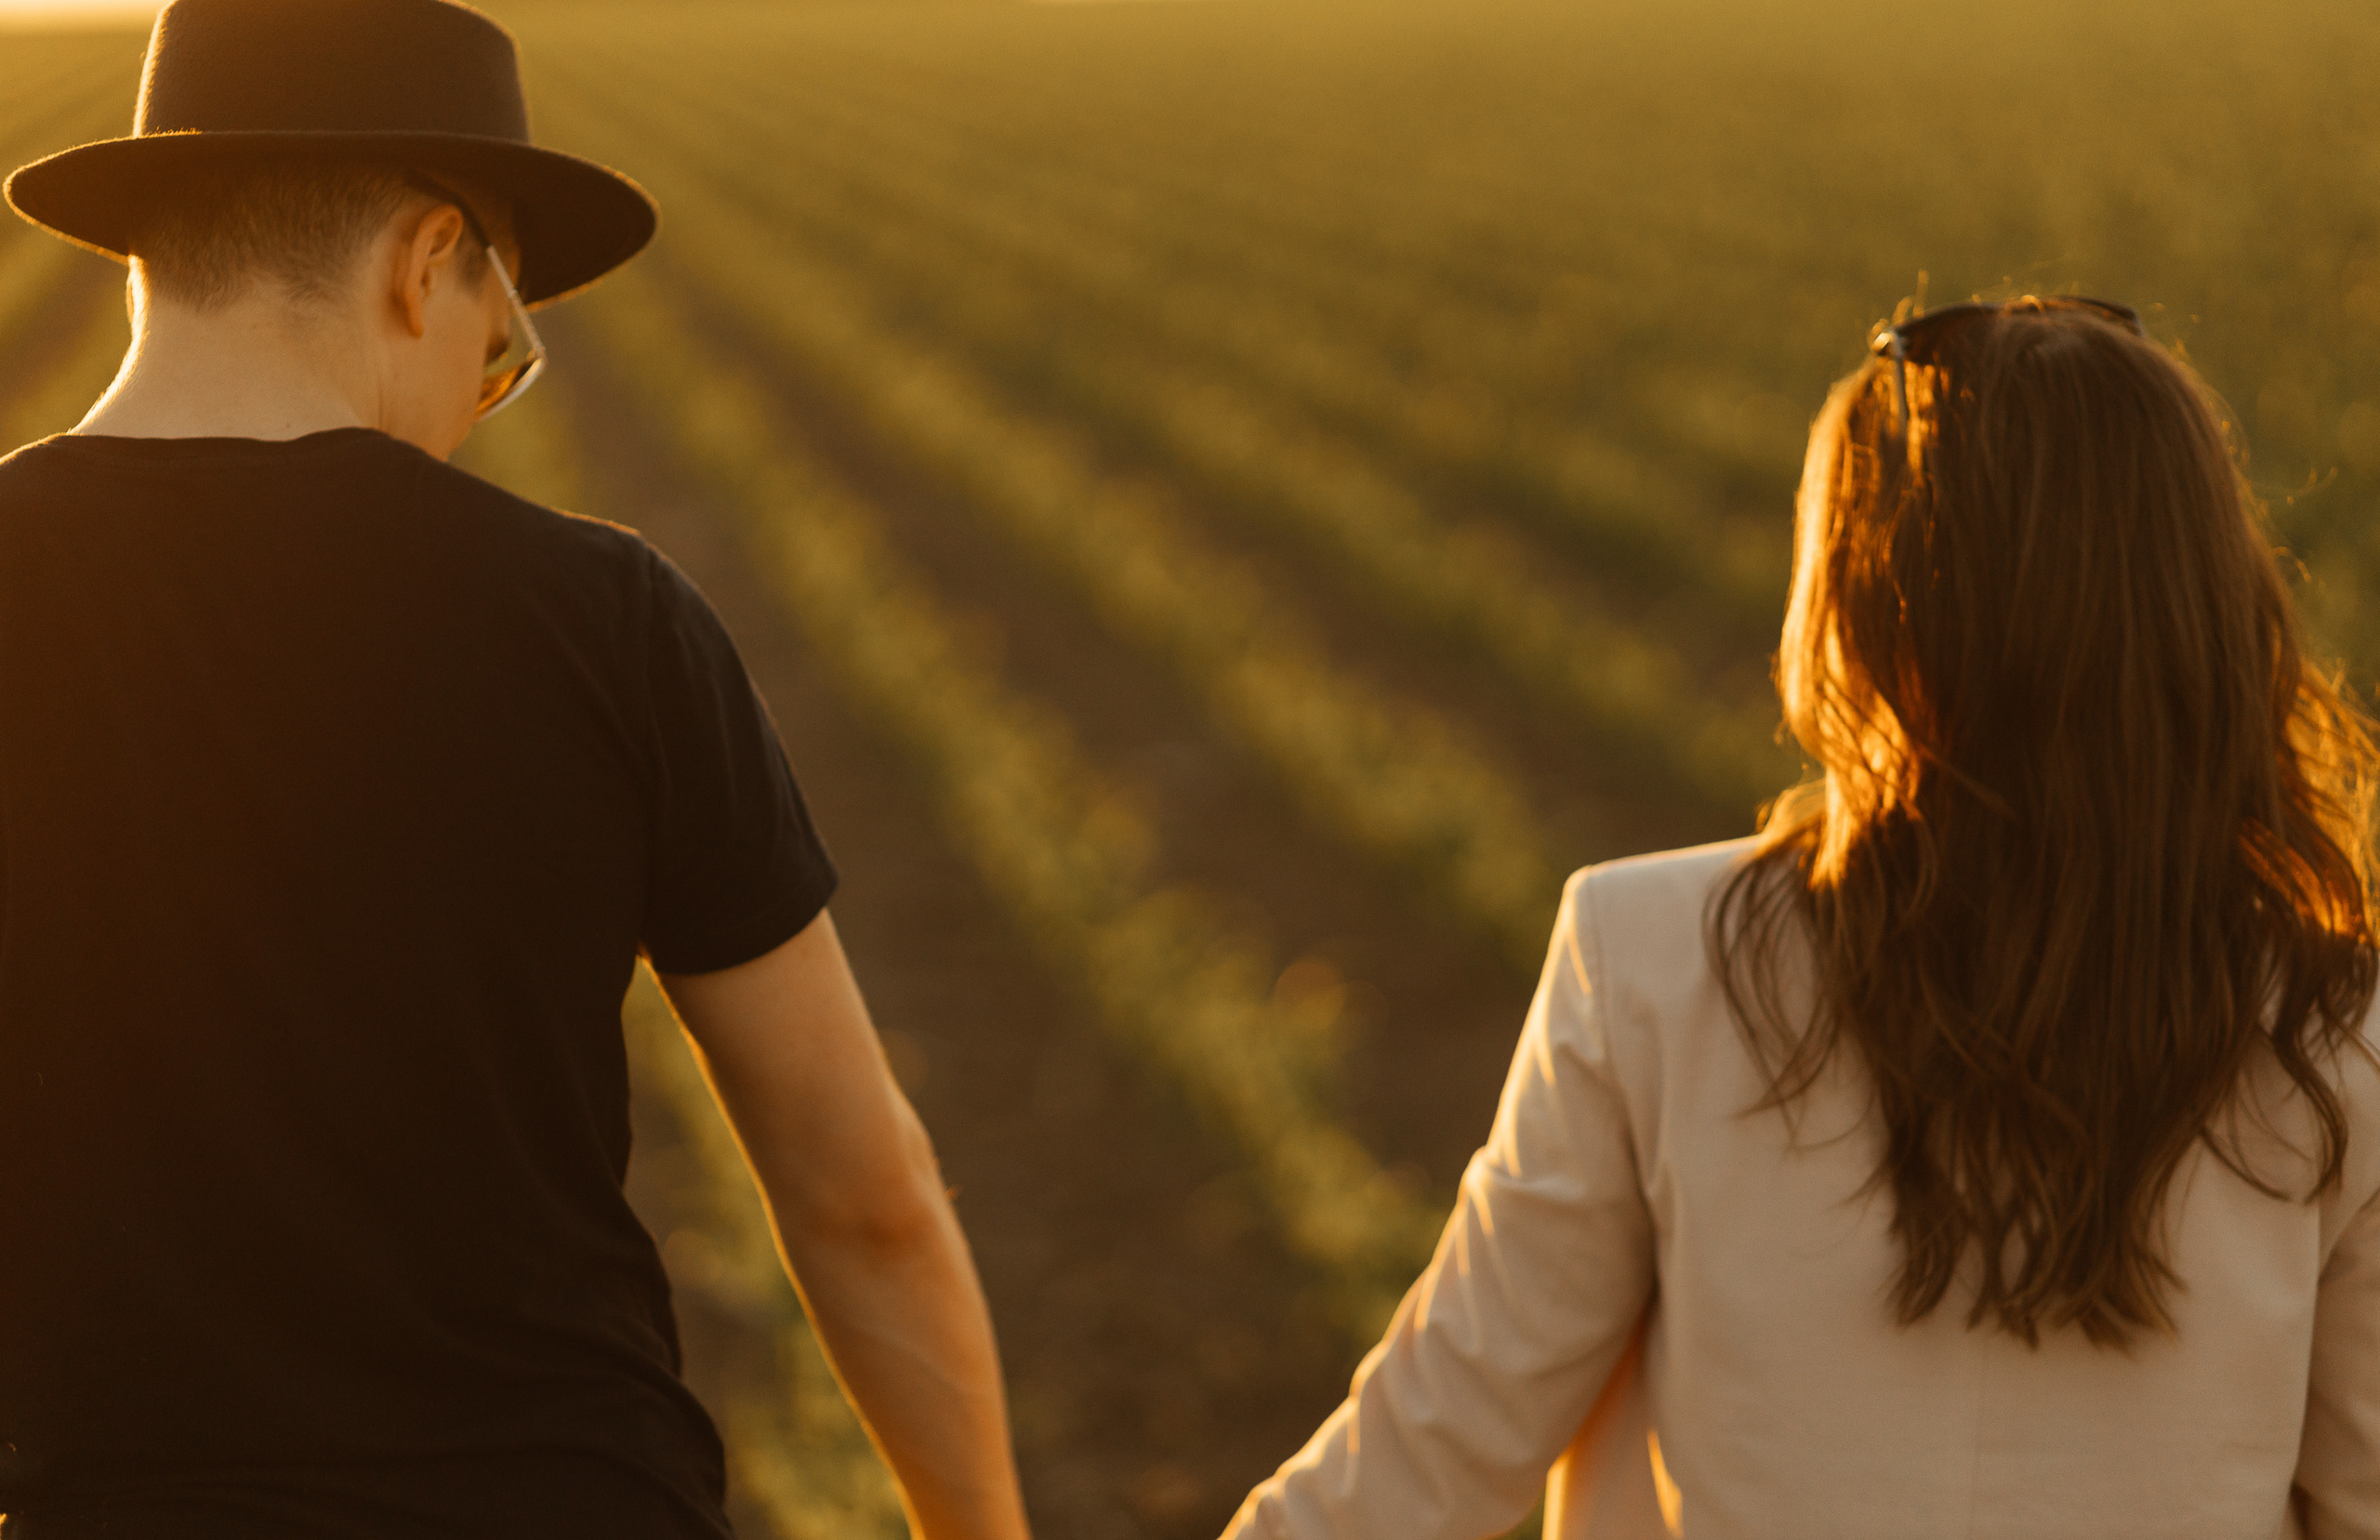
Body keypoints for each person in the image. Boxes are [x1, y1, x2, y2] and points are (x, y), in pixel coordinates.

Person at [0, 2, 1031, 1537]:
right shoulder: (606, 624)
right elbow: (857, 1189)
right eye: (498, 355)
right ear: (428, 262)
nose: (475, 412)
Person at [1222, 296, 2380, 1539]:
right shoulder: (2343, 1033)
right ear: (2205, 613)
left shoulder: (1655, 957)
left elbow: (1431, 1450)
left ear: (1870, 607)